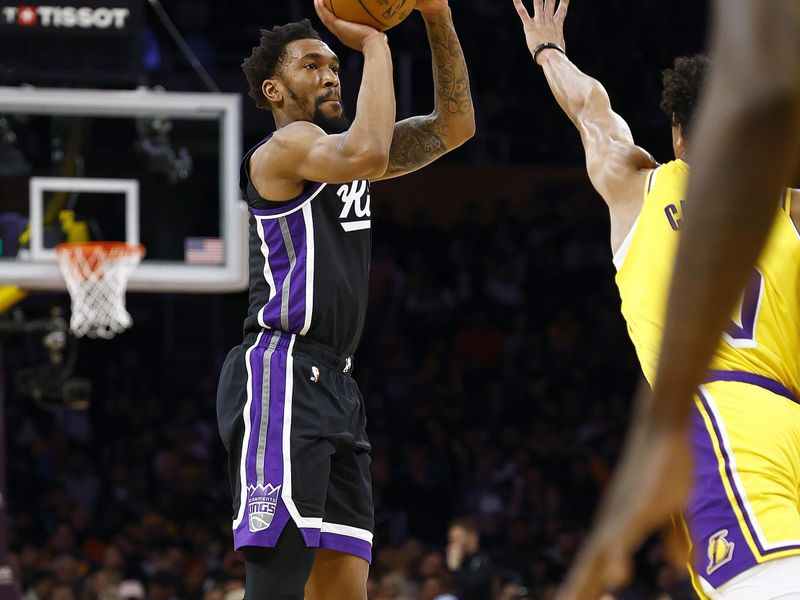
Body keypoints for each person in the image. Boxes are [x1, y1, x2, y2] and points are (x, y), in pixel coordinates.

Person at [511, 0, 800, 598]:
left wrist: (548, 50)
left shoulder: (637, 183)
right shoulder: (785, 206)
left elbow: (592, 109)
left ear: (677, 129)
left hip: (722, 418)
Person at [216, 0, 475, 598]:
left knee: (341, 585)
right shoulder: (285, 150)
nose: (332, 73)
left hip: (336, 383)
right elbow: (369, 152)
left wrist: (436, 15)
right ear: (274, 89)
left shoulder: (345, 155)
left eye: (337, 64)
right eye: (313, 65)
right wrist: (375, 42)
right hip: (281, 369)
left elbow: (455, 127)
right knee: (278, 579)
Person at [445, 518, 493, 600]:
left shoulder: (482, 560)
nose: (453, 542)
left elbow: (472, 586)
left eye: (457, 537)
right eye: (451, 538)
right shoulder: (452, 557)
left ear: (472, 537)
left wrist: (455, 567)